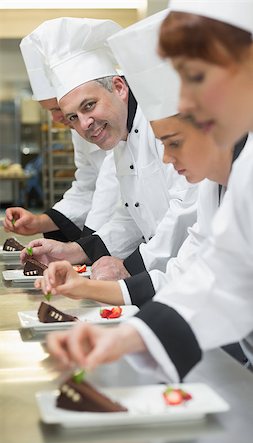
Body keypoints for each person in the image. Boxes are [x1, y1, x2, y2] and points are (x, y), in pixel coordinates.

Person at [46, 2, 253, 381]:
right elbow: (211, 274)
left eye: (196, 78)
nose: (187, 101)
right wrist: (131, 335)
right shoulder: (228, 175)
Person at [19, 16, 198, 278]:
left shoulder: (159, 126)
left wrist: (131, 265)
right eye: (72, 118)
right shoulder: (119, 136)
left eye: (89, 105)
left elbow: (186, 209)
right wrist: (73, 250)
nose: (84, 124)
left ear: (119, 87)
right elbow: (130, 214)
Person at [3, 24, 120, 243]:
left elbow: (114, 189)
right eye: (52, 112)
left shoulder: (141, 126)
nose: (58, 119)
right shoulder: (82, 127)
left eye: (58, 110)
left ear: (119, 88)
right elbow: (87, 187)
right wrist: (40, 222)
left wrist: (87, 248)